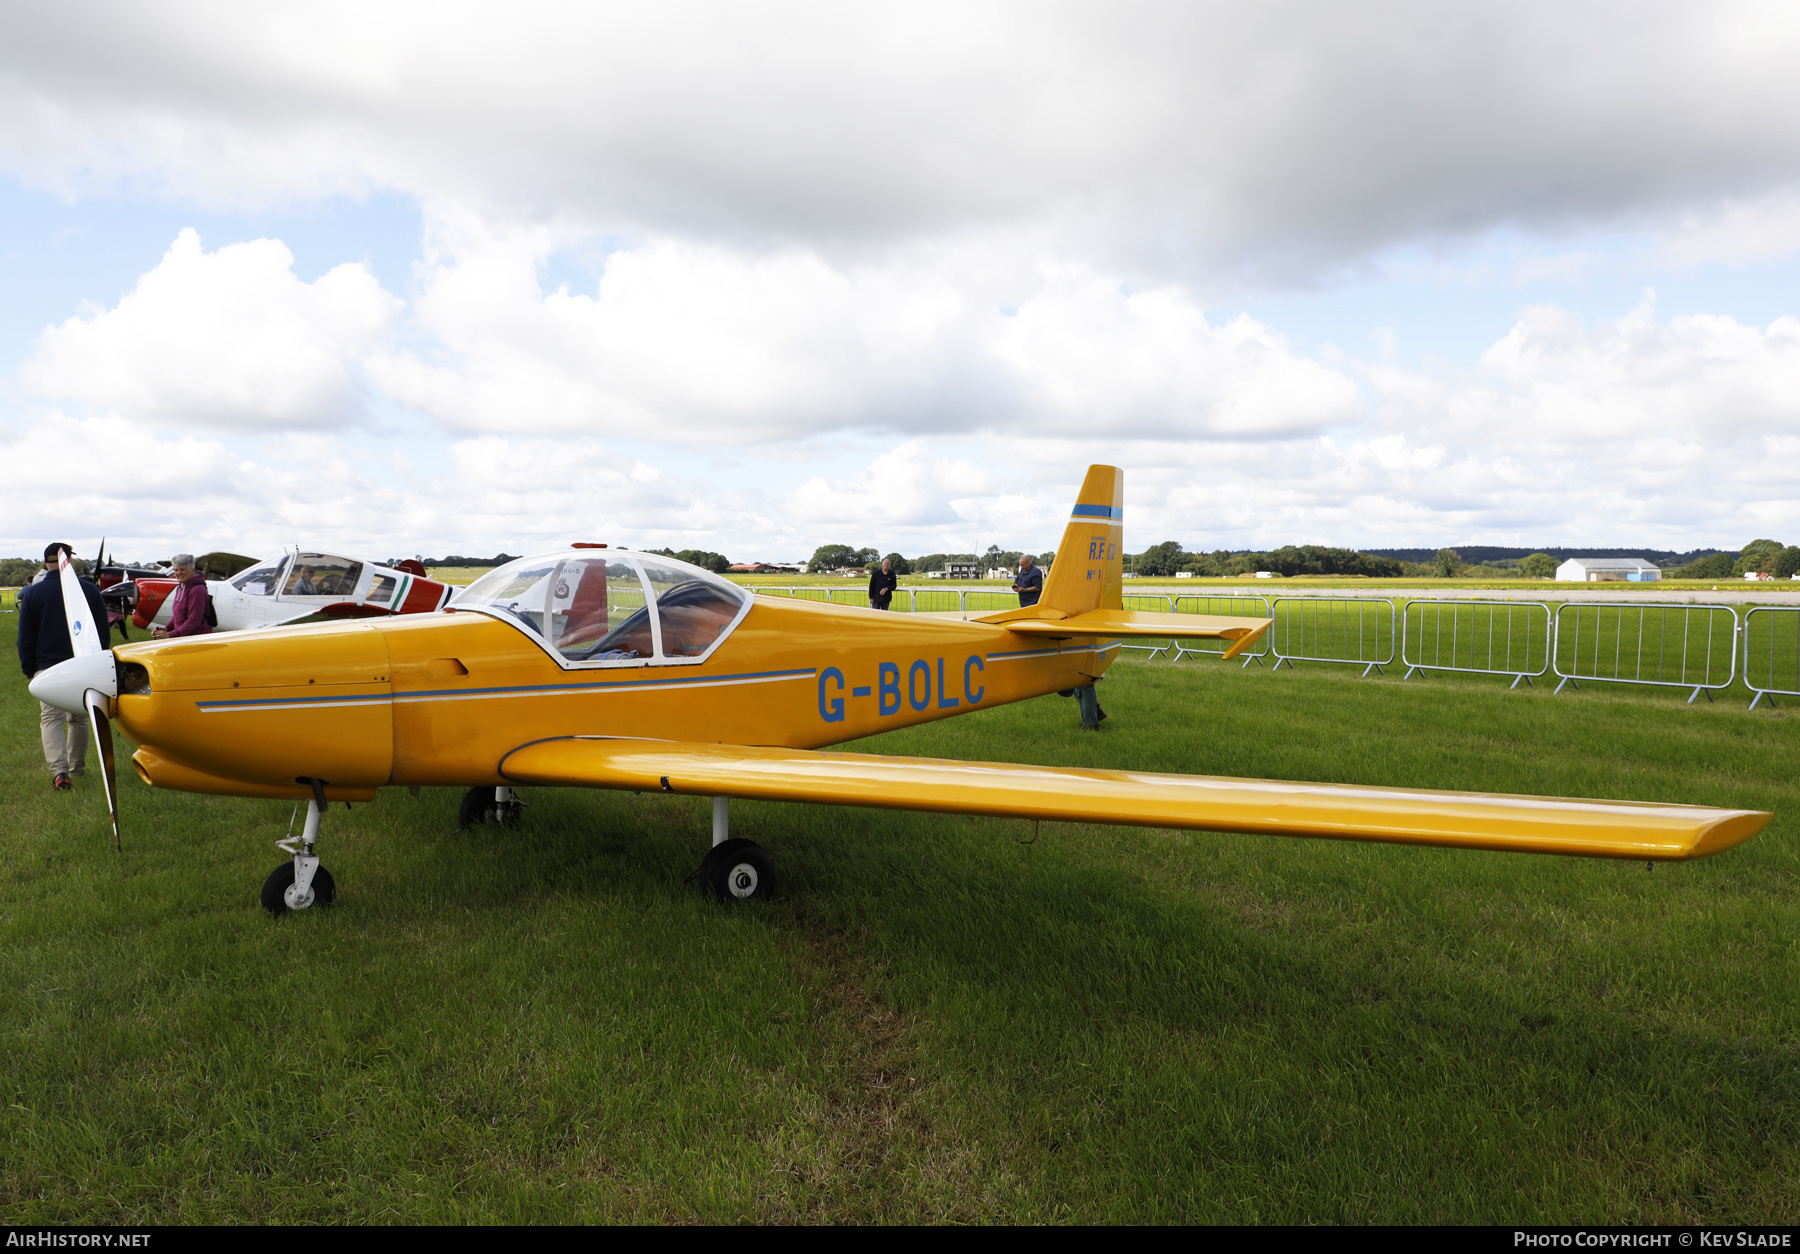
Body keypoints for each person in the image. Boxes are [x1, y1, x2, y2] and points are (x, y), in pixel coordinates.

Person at [16, 542, 110, 791]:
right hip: (82, 666)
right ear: (69, 561)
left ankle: (60, 772)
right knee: (78, 720)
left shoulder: (32, 593)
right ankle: (77, 768)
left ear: (46, 563)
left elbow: (25, 637)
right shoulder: (89, 591)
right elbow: (102, 633)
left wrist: (30, 670)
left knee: (50, 719)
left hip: (47, 668)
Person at [152, 554, 212, 639]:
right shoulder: (181, 586)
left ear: (192, 570)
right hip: (184, 638)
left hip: (195, 640)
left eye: (182, 569)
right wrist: (166, 629)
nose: (179, 573)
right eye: (176, 570)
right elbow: (178, 616)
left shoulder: (197, 589)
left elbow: (194, 621)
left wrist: (170, 635)